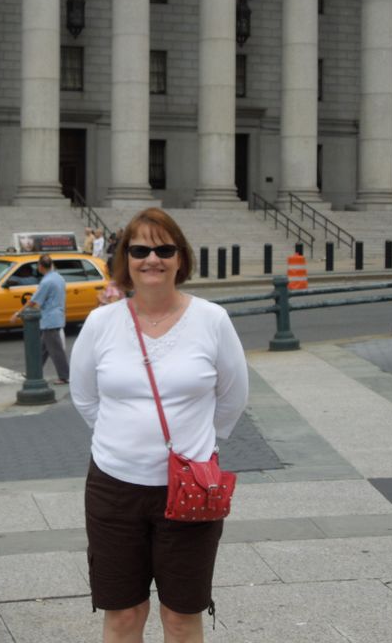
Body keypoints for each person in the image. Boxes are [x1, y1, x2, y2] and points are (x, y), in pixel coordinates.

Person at [69, 208, 249, 643]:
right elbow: (85, 397)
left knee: (181, 616)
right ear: (125, 259)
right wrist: (125, 439)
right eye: (140, 249)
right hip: (115, 489)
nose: (153, 259)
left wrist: (196, 446)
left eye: (164, 249)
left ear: (180, 258)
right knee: (124, 615)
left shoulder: (211, 320)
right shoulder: (101, 323)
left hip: (190, 489)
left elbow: (232, 397)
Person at [10, 254, 69, 385]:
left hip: (49, 319)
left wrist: (18, 314)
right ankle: (33, 372)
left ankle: (64, 376)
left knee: (55, 350)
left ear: (41, 267)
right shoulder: (59, 278)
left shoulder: (46, 282)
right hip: (56, 316)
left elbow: (33, 301)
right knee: (42, 349)